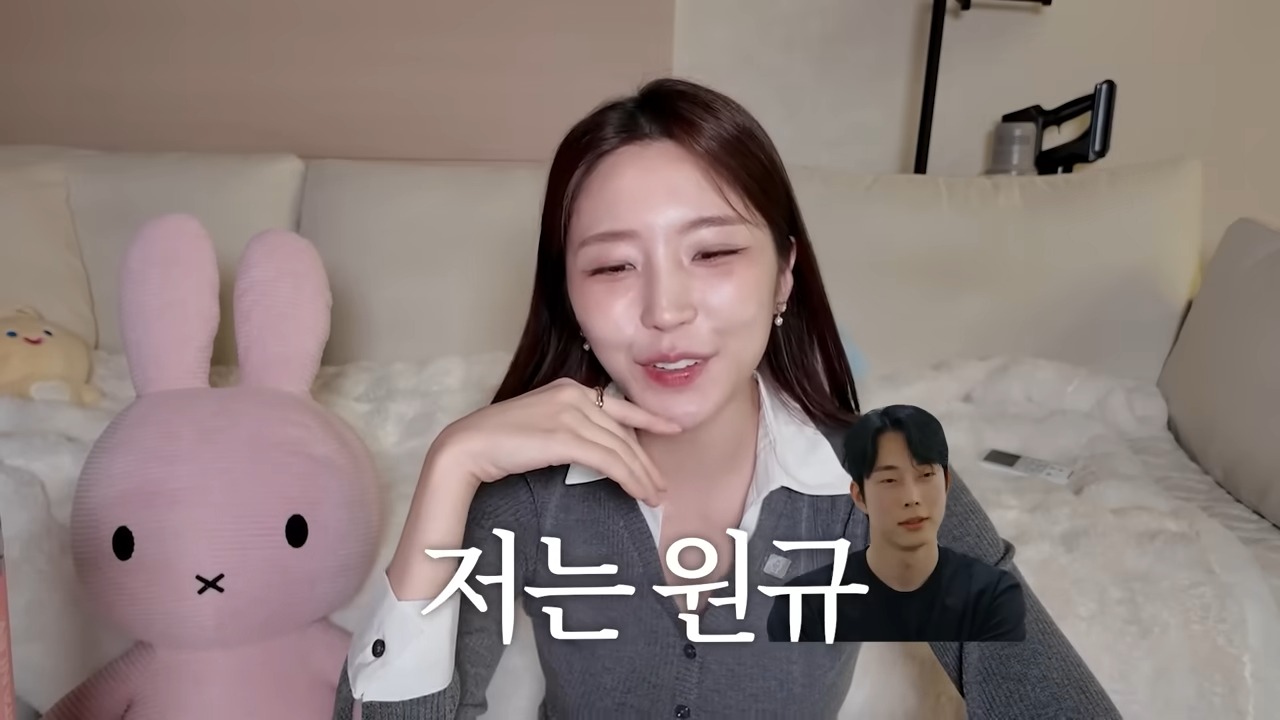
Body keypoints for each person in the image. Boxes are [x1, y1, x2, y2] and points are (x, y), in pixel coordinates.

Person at [331, 78, 1121, 719]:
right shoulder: (529, 498)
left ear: (784, 274)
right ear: (569, 299)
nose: (665, 311)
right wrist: (451, 463)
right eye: (612, 266)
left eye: (712, 252)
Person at [766, 405, 1026, 644]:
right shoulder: (804, 604)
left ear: (947, 483)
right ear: (859, 496)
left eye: (926, 475)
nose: (912, 498)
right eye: (889, 480)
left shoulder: (993, 592)